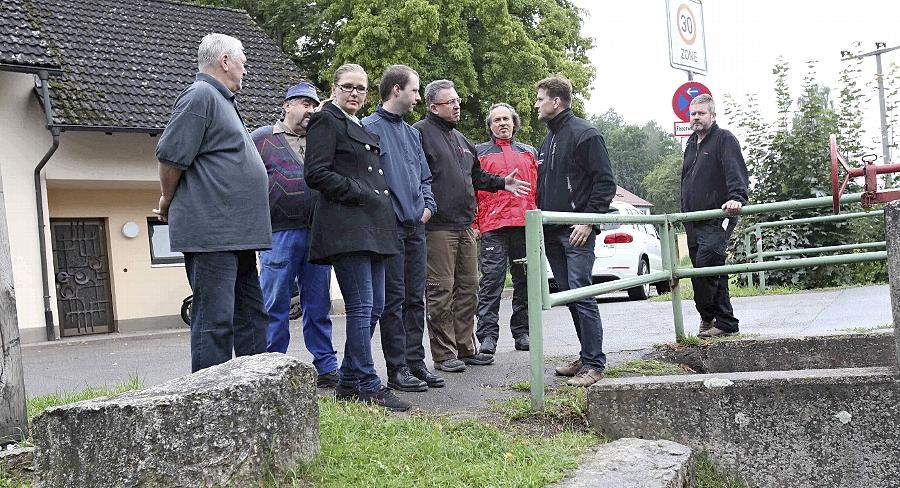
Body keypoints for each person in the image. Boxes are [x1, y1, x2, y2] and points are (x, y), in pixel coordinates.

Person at [154, 33, 270, 373]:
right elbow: (170, 158)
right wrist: (167, 200)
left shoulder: (224, 101)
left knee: (251, 316)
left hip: (238, 235)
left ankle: (255, 390)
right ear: (225, 61)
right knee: (215, 320)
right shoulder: (200, 95)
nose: (246, 70)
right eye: (243, 62)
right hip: (213, 233)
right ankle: (208, 400)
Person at [304, 63, 409, 412]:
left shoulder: (358, 125)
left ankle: (348, 380)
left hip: (374, 226)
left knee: (376, 305)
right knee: (362, 306)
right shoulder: (325, 120)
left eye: (361, 89)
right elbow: (316, 173)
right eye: (348, 86)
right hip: (346, 226)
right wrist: (358, 191)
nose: (354, 93)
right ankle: (367, 383)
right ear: (334, 88)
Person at [413, 79, 531, 373]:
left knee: (470, 289)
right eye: (449, 102)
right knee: (441, 290)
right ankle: (443, 353)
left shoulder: (463, 141)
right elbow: (413, 176)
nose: (456, 106)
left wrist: (503, 183)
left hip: (465, 226)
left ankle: (466, 347)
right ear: (433, 107)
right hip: (438, 227)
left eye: (457, 101)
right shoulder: (419, 134)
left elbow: (477, 177)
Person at [251, 81, 339, 388]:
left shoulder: (320, 139)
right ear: (285, 106)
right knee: (274, 301)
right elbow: (246, 181)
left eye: (314, 105)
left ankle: (326, 366)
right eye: (303, 103)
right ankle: (271, 367)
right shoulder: (261, 138)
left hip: (318, 233)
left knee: (318, 303)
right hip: (278, 233)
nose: (310, 110)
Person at [362, 65, 444, 392]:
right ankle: (396, 369)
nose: (418, 97)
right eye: (414, 90)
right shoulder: (368, 129)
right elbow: (367, 180)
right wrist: (391, 214)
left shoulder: (413, 134)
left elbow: (425, 178)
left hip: (416, 227)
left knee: (415, 299)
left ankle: (415, 363)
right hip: (389, 229)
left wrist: (428, 208)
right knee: (392, 301)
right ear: (396, 90)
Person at [534, 75, 616, 387]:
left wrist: (587, 221)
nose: (536, 105)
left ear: (556, 101)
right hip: (553, 231)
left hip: (577, 231)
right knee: (570, 295)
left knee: (582, 293)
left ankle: (595, 365)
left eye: (541, 99)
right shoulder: (549, 138)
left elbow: (605, 183)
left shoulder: (586, 134)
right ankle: (585, 356)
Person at [681, 94, 749, 338]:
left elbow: (736, 171)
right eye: (693, 114)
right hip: (692, 220)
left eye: (701, 113)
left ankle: (720, 320)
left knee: (708, 267)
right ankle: (714, 319)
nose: (696, 118)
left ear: (713, 115)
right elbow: (687, 181)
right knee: (702, 271)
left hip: (716, 217)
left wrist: (737, 198)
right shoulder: (691, 143)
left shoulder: (724, 139)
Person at [473, 103, 538, 355]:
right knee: (491, 282)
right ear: (490, 126)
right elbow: (472, 190)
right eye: (497, 120)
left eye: (506, 119)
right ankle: (488, 336)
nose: (502, 123)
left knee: (525, 282)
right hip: (493, 226)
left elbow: (537, 189)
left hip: (525, 225)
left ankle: (522, 333)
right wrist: (474, 222)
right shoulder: (479, 153)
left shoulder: (529, 152)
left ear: (514, 122)